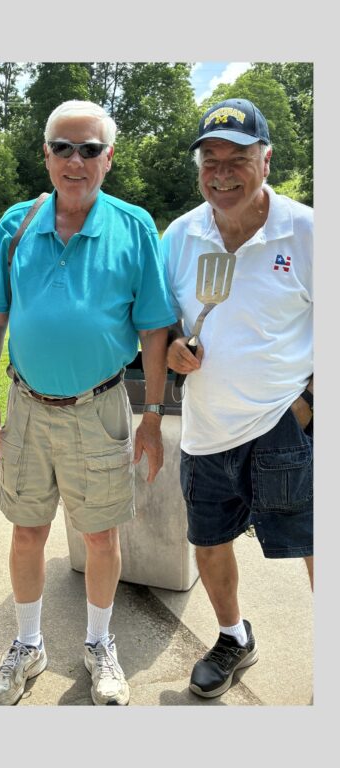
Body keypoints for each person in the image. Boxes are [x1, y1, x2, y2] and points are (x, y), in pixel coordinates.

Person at [0, 100, 176, 706]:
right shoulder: (17, 222)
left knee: (100, 537)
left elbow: (154, 332)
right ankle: (28, 644)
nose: (75, 160)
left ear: (108, 158)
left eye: (90, 149)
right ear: (46, 155)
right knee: (27, 531)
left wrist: (152, 416)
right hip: (27, 404)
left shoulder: (134, 226)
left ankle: (98, 644)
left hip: (100, 407)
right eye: (63, 147)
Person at [162, 98, 313, 698]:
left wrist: (309, 406)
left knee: (313, 543)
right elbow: (160, 324)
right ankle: (233, 637)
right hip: (205, 428)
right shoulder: (181, 235)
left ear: (266, 160)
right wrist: (174, 347)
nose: (221, 173)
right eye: (211, 160)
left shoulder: (307, 231)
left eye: (237, 159)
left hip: (284, 422)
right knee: (209, 541)